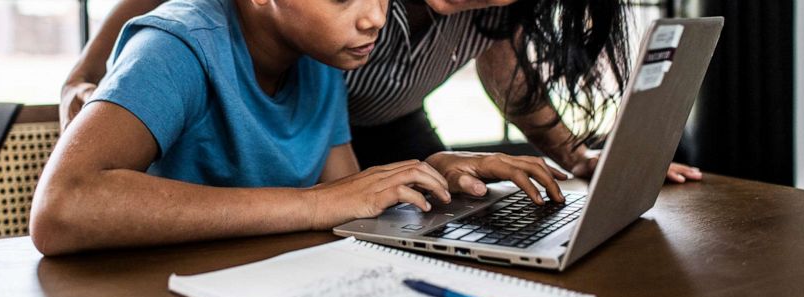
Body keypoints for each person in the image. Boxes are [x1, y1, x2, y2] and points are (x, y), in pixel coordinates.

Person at [30, 0, 569, 256]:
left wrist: (433, 173)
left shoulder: (322, 58)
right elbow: (61, 208)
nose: (376, 19)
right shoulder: (176, 47)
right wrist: (312, 204)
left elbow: (350, 194)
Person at [61, 0, 704, 197]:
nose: (370, 18)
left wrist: (579, 156)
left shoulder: (319, 64)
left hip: (350, 133)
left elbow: (509, 76)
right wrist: (86, 86)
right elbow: (176, 20)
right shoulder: (198, 41)